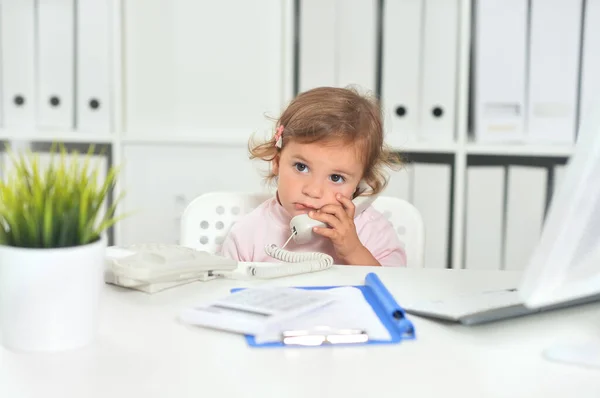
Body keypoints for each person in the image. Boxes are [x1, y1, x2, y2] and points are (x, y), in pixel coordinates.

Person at [219, 86, 407, 267]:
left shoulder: (372, 230)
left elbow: (395, 291)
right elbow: (222, 291)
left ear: (360, 184)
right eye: (301, 167)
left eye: (336, 178)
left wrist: (353, 251)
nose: (313, 191)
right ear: (276, 162)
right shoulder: (248, 233)